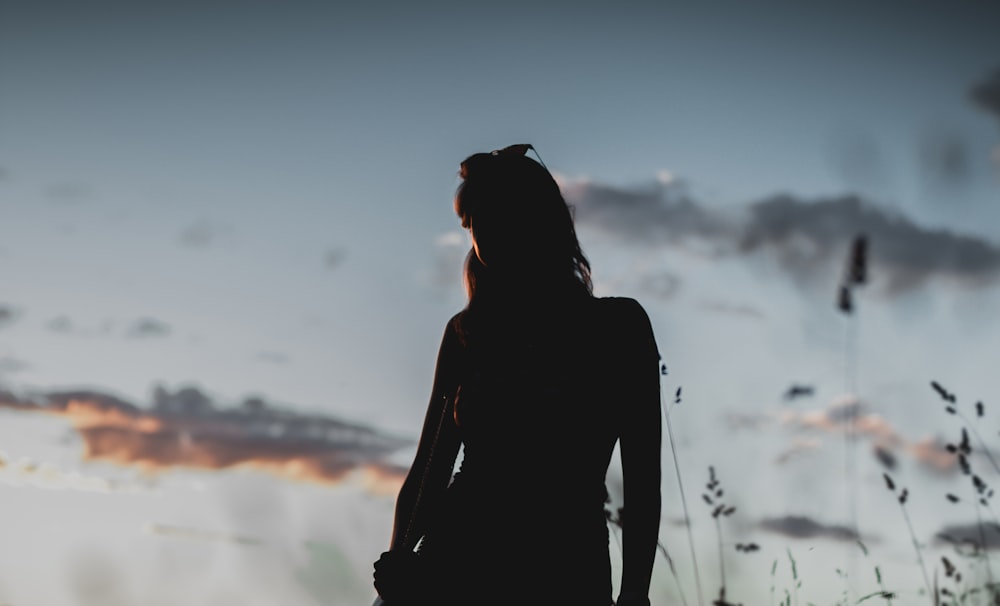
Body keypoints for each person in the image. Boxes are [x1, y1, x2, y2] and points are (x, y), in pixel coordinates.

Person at [373, 145, 662, 606]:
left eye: (496, 214)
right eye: (473, 224)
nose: (485, 233)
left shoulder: (619, 328)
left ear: (538, 218)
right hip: (452, 565)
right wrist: (398, 562)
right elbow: (430, 467)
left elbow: (644, 480)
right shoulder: (467, 333)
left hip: (566, 569)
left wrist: (635, 595)